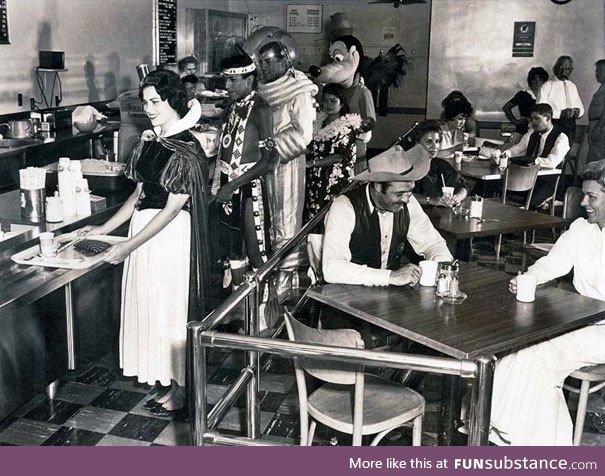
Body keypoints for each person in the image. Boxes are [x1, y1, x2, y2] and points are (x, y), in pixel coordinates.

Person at [77, 70, 210, 416]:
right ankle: (168, 382)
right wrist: (104, 229)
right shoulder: (151, 141)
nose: (149, 109)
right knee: (151, 308)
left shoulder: (187, 149)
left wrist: (128, 245)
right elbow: (138, 195)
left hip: (169, 238)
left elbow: (170, 210)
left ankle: (182, 389)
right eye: (146, 102)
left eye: (155, 102)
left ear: (173, 101)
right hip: (145, 233)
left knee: (170, 310)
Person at [490, 160, 605, 446]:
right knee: (518, 348)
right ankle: (532, 444)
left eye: (592, 197)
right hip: (581, 322)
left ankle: (509, 434)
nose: (583, 202)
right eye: (584, 194)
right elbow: (552, 264)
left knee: (537, 356)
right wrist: (528, 279)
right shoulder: (582, 229)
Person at [245, 29, 318, 302]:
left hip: (286, 164)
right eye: (260, 62)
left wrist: (268, 144)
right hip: (263, 163)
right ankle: (267, 278)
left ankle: (286, 284)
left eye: (268, 62)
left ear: (285, 62)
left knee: (285, 220)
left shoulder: (299, 90)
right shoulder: (263, 90)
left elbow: (303, 135)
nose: (262, 67)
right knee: (264, 217)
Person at [322, 145, 453, 288]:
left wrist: (443, 266)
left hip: (389, 296)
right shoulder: (344, 206)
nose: (406, 199)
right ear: (378, 187)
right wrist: (390, 276)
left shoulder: (407, 203)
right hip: (346, 295)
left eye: (409, 192)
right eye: (399, 194)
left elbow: (433, 244)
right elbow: (332, 268)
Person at [211, 54, 276, 270]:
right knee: (233, 253)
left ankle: (264, 302)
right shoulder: (234, 106)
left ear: (249, 80)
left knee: (257, 254)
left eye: (233, 81)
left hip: (249, 188)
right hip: (227, 186)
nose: (227, 86)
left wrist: (232, 185)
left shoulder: (261, 109)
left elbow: (269, 160)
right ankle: (239, 301)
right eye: (226, 80)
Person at [304, 83, 360, 223]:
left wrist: (312, 163)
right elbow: (312, 148)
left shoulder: (346, 126)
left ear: (342, 104)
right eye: (326, 100)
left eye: (333, 101)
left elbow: (340, 156)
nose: (328, 105)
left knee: (331, 219)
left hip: (334, 181)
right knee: (313, 218)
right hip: (316, 180)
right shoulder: (319, 122)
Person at [501, 103, 570, 209]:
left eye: (537, 119)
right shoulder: (532, 134)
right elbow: (517, 149)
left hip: (547, 181)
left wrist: (529, 161)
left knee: (528, 204)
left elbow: (552, 162)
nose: (533, 122)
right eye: (532, 119)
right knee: (497, 188)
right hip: (527, 177)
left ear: (548, 118)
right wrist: (504, 155)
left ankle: (546, 202)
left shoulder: (561, 138)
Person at [413, 119, 468, 206]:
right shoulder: (408, 166)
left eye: (437, 141)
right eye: (429, 142)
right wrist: (431, 200)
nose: (435, 146)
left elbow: (463, 187)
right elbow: (403, 196)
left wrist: (457, 197)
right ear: (417, 143)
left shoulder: (441, 165)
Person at [537, 55, 584, 142]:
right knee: (553, 153)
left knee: (566, 151)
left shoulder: (572, 86)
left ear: (571, 70)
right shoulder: (546, 86)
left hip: (570, 125)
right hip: (553, 125)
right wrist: (560, 113)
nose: (563, 71)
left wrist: (578, 111)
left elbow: (580, 107)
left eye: (567, 69)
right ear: (554, 68)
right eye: (560, 68)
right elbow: (540, 111)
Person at [502, 67, 550, 136]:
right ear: (530, 81)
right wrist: (515, 121)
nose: (536, 82)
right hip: (524, 130)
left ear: (544, 81)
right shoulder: (523, 95)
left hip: (542, 131)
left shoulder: (547, 95)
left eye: (539, 79)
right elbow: (506, 107)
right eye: (534, 79)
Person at [587, 59, 605, 163]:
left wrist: (597, 129)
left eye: (599, 70)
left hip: (601, 128)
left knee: (597, 162)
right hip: (596, 126)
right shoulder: (602, 88)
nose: (596, 73)